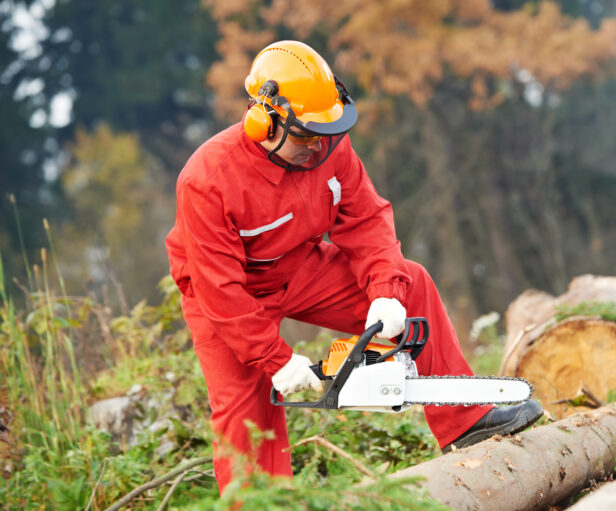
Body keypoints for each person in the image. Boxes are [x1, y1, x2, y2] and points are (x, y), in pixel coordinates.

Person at [165, 40, 543, 494]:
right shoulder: (207, 180)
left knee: (412, 281)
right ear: (263, 122)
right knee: (246, 408)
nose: (318, 148)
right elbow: (219, 290)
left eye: (326, 134)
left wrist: (384, 288)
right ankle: (263, 504)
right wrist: (276, 360)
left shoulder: (328, 150)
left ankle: (466, 418)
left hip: (298, 266)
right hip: (225, 294)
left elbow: (366, 218)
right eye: (306, 136)